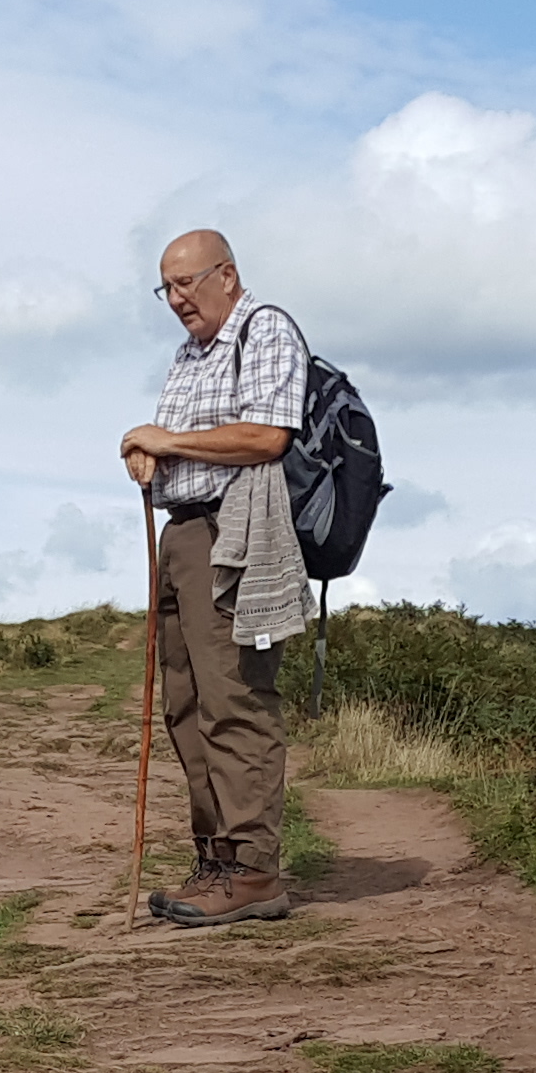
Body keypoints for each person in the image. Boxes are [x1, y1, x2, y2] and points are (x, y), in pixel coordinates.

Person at [117, 226, 311, 926]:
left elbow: (268, 435)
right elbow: (183, 444)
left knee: (233, 697)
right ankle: (216, 859)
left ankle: (254, 871)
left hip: (236, 531)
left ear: (226, 275)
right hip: (183, 531)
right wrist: (149, 456)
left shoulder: (265, 331)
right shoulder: (191, 354)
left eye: (186, 284)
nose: (175, 300)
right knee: (186, 703)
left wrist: (166, 441)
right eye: (165, 287)